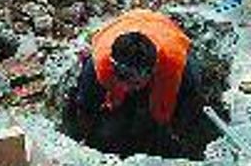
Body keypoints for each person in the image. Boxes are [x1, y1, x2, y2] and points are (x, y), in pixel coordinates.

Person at [67, 9, 204, 157]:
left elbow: (191, 107)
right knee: (108, 131)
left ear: (153, 70)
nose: (129, 88)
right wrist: (83, 137)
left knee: (164, 137)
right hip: (125, 24)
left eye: (136, 82)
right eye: (123, 80)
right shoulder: (97, 66)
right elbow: (86, 106)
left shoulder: (181, 67)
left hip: (163, 30)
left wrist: (179, 132)